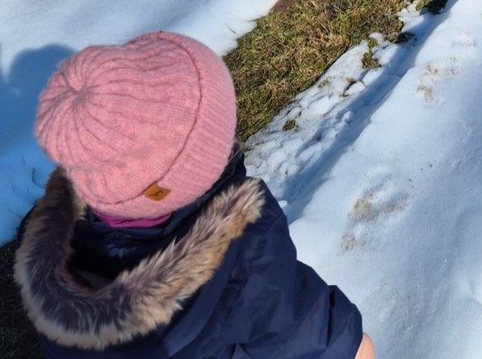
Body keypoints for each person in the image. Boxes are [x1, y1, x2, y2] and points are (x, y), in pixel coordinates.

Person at [14, 31, 376, 359]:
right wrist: (354, 346)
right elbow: (298, 322)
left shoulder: (49, 243)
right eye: (219, 136)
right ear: (190, 174)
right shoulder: (239, 250)